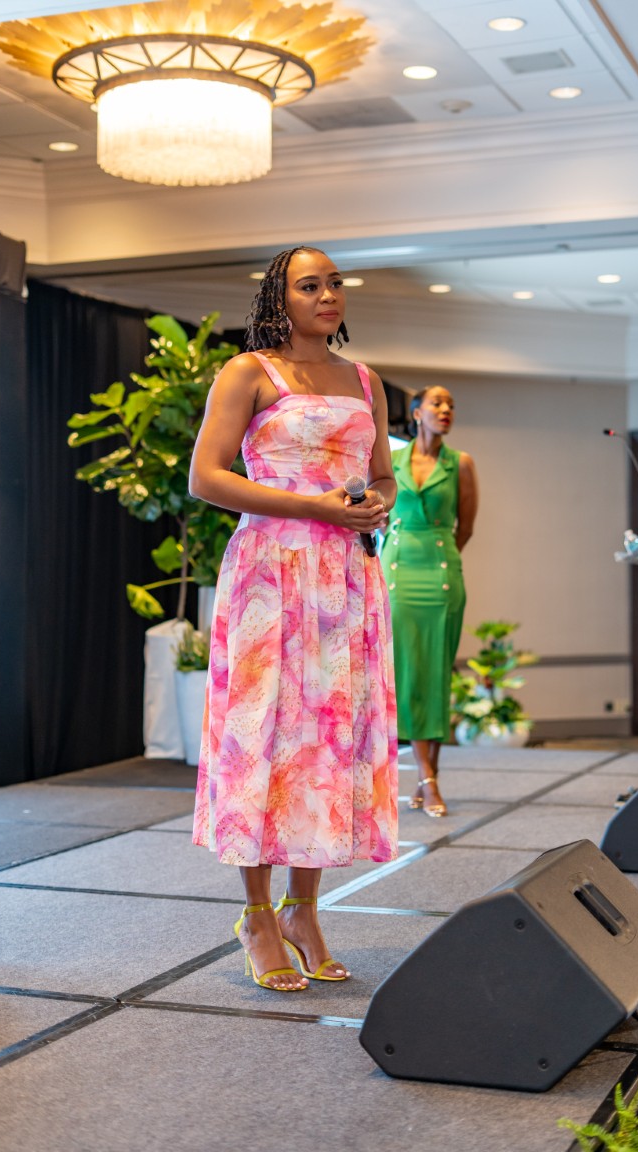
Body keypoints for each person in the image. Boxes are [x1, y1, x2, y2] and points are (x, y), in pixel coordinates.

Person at [190, 246, 399, 992]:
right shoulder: (248, 372)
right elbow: (206, 476)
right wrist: (314, 506)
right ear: (279, 298)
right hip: (269, 573)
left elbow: (383, 475)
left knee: (329, 736)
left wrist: (375, 502)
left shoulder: (365, 380)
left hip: (346, 574)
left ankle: (303, 911)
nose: (328, 294)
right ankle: (256, 915)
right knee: (265, 733)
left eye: (335, 283)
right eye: (310, 285)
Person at [380, 386, 478, 816]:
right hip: (398, 573)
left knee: (435, 674)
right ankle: (427, 777)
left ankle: (427, 776)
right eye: (437, 403)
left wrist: (442, 555)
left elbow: (465, 527)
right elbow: (378, 513)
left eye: (451, 405)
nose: (446, 410)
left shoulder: (461, 464)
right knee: (409, 673)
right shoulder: (390, 459)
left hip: (440, 574)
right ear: (417, 413)